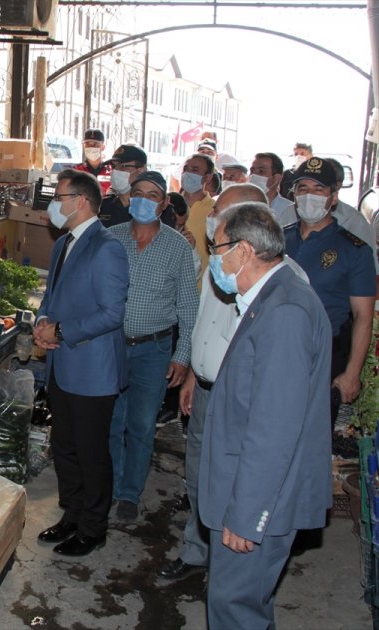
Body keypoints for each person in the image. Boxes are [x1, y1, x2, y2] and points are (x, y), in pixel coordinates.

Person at [157, 184, 309, 582]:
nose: (213, 224)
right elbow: (204, 322)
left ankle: (232, 556)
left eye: (223, 217)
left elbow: (275, 421)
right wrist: (192, 372)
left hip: (241, 403)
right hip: (206, 389)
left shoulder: (283, 288)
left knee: (237, 478)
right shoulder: (221, 265)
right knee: (201, 477)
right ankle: (198, 551)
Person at [199, 201, 331, 629]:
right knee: (244, 605)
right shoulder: (271, 296)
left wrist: (246, 516)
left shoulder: (286, 312)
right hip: (249, 490)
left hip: (260, 502)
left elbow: (274, 430)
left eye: (216, 248)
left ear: (243, 251)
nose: (213, 258)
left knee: (234, 608)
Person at [34, 169, 129, 557]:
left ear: (83, 201)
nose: (55, 204)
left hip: (92, 371)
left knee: (91, 453)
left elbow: (112, 313)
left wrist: (61, 332)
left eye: (60, 197)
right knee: (66, 447)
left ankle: (93, 528)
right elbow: (51, 295)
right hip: (62, 367)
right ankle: (71, 515)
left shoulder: (107, 248)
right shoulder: (62, 245)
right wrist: (42, 321)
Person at [107, 171, 198, 521]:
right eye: (138, 192)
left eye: (153, 195)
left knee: (142, 425)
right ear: (129, 198)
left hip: (154, 350)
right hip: (112, 347)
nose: (144, 199)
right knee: (112, 421)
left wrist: (183, 357)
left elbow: (190, 309)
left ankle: (130, 493)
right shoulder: (110, 239)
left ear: (163, 204)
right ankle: (112, 486)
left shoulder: (177, 247)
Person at [283, 157, 375, 425]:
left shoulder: (354, 251)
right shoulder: (279, 239)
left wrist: (352, 372)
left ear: (333, 198)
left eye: (318, 189)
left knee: (312, 439)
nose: (309, 195)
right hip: (275, 350)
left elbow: (363, 317)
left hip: (322, 357)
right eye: (302, 189)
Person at [324, 158, 379, 272]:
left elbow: (370, 267)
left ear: (338, 185)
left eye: (325, 180)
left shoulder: (356, 221)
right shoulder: (288, 213)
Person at [181, 154, 217, 278]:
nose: (187, 173)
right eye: (185, 169)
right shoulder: (167, 203)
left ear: (208, 177)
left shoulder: (216, 209)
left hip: (202, 285)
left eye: (195, 170)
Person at [99, 144, 147, 228]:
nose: (115, 171)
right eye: (113, 166)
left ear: (141, 170)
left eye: (123, 166)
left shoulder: (152, 207)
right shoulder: (102, 206)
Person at [249, 152, 296, 226]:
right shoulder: (240, 206)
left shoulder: (288, 209)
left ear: (276, 179)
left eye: (261, 171)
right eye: (252, 171)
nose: (253, 175)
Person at [71, 128, 112, 194]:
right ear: (83, 146)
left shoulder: (111, 171)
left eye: (96, 144)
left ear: (103, 147)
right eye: (87, 144)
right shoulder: (76, 170)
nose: (91, 147)